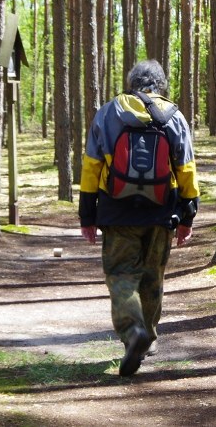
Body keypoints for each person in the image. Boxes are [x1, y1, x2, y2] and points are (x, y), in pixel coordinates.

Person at [79, 60, 200, 377]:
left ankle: (134, 333)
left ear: (131, 83)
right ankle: (147, 336)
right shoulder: (173, 116)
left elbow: (91, 166)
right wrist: (188, 214)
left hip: (117, 212)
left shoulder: (109, 112)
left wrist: (87, 215)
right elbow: (186, 169)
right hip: (162, 212)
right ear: (161, 85)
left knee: (121, 275)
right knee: (153, 276)